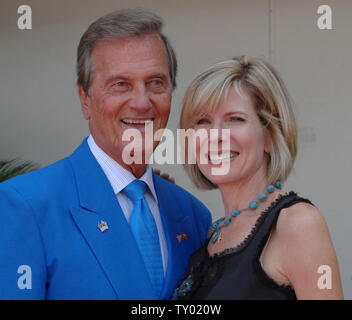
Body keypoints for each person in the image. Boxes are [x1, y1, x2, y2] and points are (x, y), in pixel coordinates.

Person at [0, 8, 211, 300]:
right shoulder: (25, 206)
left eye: (156, 83)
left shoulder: (193, 216)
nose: (141, 102)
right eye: (120, 84)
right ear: (85, 99)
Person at [173, 56, 344, 299]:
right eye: (203, 121)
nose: (216, 135)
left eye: (235, 119)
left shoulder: (297, 224)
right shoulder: (211, 234)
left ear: (270, 137)